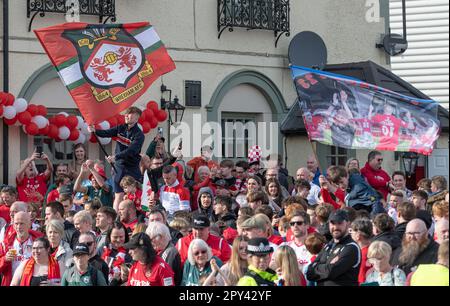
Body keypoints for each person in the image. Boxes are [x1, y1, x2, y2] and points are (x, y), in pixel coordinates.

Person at [89, 107, 145, 212]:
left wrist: (116, 157)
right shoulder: (120, 128)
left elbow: (131, 151)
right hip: (119, 167)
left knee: (135, 192)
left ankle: (137, 214)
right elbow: (106, 133)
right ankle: (116, 218)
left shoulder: (139, 135)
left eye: (130, 114)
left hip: (132, 167)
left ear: (137, 117)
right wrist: (94, 130)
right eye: (126, 114)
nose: (127, 116)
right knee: (118, 194)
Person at [306, 210, 361, 286]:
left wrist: (319, 267)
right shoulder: (328, 245)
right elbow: (309, 272)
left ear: (348, 224)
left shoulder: (351, 247)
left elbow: (331, 271)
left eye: (339, 223)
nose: (335, 227)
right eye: (332, 223)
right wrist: (328, 265)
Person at [0, 212, 44, 286]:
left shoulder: (39, 242)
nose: (18, 227)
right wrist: (5, 259)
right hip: (11, 283)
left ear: (29, 224)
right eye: (16, 224)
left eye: (22, 223)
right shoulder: (5, 244)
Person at [146, 222, 182, 286]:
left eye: (151, 239)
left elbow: (164, 276)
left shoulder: (170, 252)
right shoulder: (157, 251)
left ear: (161, 237)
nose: (151, 243)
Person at [350, 218, 373, 284]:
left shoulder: (361, 255)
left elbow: (361, 280)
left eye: (352, 232)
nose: (350, 234)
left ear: (358, 236)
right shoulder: (374, 249)